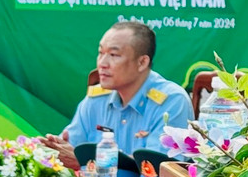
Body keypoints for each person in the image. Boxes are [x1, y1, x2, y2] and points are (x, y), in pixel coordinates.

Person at [43, 20, 194, 169]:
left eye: (114, 55)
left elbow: (157, 170)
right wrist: (56, 149)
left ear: (142, 62)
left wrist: (86, 161)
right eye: (100, 53)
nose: (102, 63)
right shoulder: (95, 100)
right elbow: (70, 149)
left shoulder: (172, 102)